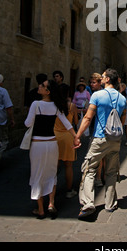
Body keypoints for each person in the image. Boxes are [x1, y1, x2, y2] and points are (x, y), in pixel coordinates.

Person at [74, 68, 126, 219]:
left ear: (108, 79)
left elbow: (88, 118)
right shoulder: (122, 98)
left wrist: (77, 136)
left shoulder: (97, 95)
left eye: (103, 76)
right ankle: (110, 204)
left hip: (99, 137)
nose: (101, 78)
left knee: (89, 170)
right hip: (115, 139)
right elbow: (122, 119)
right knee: (111, 172)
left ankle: (88, 203)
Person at [24, 79, 77, 218]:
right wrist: (76, 137)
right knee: (51, 173)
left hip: (38, 144)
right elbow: (67, 124)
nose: (39, 86)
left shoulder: (36, 104)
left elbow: (28, 123)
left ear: (47, 91)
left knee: (37, 173)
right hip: (52, 143)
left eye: (42, 85)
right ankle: (51, 203)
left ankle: (41, 209)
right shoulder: (56, 106)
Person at [54, 97, 79, 198]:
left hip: (55, 136)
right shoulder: (72, 106)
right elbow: (76, 122)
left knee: (54, 166)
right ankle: (69, 190)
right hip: (68, 136)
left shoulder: (53, 105)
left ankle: (51, 191)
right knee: (68, 166)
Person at [0, 74, 15, 166]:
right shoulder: (2, 91)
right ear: (0, 82)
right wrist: (12, 119)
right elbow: (8, 107)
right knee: (2, 140)